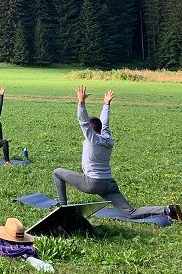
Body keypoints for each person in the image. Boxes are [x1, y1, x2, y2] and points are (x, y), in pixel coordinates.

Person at [52, 86, 180, 221]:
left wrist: (81, 103)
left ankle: (62, 207)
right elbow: (105, 123)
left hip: (92, 182)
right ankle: (168, 209)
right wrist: (106, 104)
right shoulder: (107, 137)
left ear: (91, 131)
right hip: (108, 183)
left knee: (57, 172)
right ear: (101, 129)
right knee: (130, 212)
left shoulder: (92, 139)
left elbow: (83, 122)